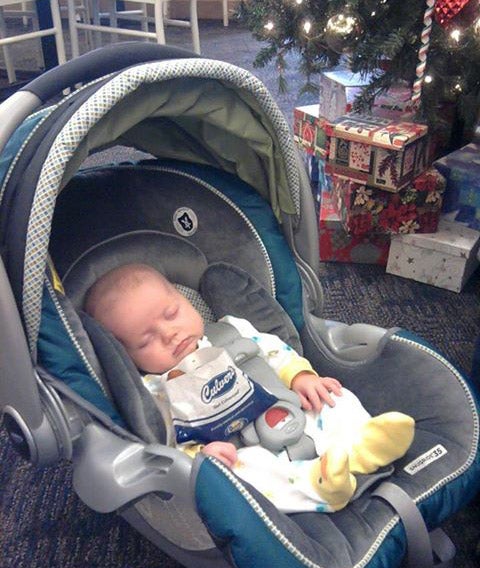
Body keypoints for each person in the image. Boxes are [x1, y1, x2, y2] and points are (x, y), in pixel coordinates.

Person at [85, 263, 415, 513]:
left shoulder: (230, 331)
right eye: (146, 340)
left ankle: (363, 445)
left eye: (171, 314)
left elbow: (274, 352)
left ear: (184, 300)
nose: (169, 334)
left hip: (287, 406)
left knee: (333, 398)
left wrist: (301, 378)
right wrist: (200, 457)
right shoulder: (153, 390)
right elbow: (167, 439)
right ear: (126, 355)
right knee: (244, 480)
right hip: (239, 449)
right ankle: (321, 488)